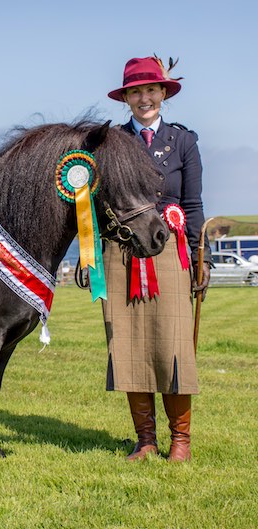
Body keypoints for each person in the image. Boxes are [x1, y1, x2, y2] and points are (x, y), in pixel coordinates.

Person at [103, 56, 211, 462]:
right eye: (135, 91)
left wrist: (201, 258)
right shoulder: (112, 142)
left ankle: (179, 440)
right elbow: (99, 203)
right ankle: (145, 440)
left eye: (151, 90)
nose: (144, 97)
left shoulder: (185, 142)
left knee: (173, 346)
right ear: (126, 98)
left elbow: (194, 203)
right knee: (130, 346)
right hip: (122, 254)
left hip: (171, 253)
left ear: (163, 94)